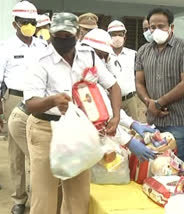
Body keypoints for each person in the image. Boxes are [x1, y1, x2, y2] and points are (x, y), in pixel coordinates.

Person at [23, 12, 122, 214]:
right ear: (50, 34)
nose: (61, 40)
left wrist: (116, 117)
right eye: (57, 35)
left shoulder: (89, 56)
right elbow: (31, 104)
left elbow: (114, 86)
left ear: (77, 35)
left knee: (78, 195)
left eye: (67, 36)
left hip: (80, 130)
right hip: (46, 130)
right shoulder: (40, 60)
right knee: (45, 198)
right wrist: (52, 100)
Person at [135, 8, 184, 176]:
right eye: (152, 27)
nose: (156, 30)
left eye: (161, 26)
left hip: (179, 121)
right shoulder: (143, 51)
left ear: (171, 27)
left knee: (177, 167)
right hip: (153, 120)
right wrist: (149, 102)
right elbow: (139, 82)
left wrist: (159, 103)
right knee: (154, 166)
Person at [0, 1, 47, 214]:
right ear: (14, 24)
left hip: (39, 101)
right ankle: (19, 199)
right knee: (16, 152)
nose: (29, 26)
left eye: (32, 22)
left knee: (39, 147)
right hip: (15, 100)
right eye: (24, 22)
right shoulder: (5, 48)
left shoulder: (43, 46)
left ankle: (37, 193)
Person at [81, 28, 157, 139]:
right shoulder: (80, 73)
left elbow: (110, 96)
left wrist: (132, 124)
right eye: (100, 55)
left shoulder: (96, 72)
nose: (101, 60)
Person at [107, 20, 139, 120]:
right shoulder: (104, 54)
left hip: (130, 100)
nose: (117, 38)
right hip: (110, 100)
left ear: (124, 36)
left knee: (134, 129)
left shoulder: (133, 54)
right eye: (114, 35)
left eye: (120, 34)